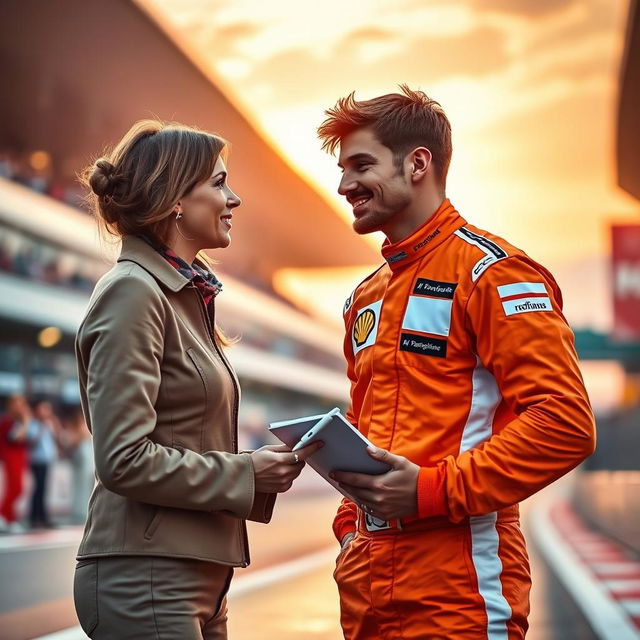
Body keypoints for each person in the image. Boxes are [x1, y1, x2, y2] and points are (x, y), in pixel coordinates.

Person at [316, 86, 596, 640]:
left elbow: (565, 423)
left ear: (418, 163)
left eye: (361, 165)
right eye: (343, 169)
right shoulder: (363, 300)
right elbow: (366, 433)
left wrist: (429, 491)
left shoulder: (494, 275)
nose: (345, 185)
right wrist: (350, 529)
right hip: (366, 596)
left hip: (460, 595)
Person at [73, 120, 319, 640]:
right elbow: (122, 458)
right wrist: (246, 474)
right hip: (149, 577)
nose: (235, 198)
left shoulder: (182, 297)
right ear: (176, 199)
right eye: (219, 182)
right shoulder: (134, 292)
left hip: (194, 575)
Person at [24, 400, 60, 528]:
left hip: (47, 460)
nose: (46, 412)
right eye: (43, 409)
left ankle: (43, 517)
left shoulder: (49, 424)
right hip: (36, 460)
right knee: (38, 489)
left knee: (43, 489)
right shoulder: (33, 424)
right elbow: (30, 441)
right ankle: (35, 517)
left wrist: (54, 426)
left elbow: (56, 439)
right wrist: (41, 428)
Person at [0, 394, 31, 534]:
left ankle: (9, 518)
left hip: (20, 456)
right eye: (18, 403)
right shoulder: (7, 420)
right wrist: (26, 421)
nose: (22, 407)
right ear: (11, 405)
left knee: (17, 488)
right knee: (15, 488)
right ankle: (3, 515)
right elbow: (15, 437)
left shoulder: (17, 421)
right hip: (11, 457)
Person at [59, 408, 94, 525]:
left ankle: (84, 511)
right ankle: (79, 511)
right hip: (80, 462)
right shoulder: (76, 430)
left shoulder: (85, 428)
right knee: (79, 487)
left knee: (86, 486)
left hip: (88, 462)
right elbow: (71, 443)